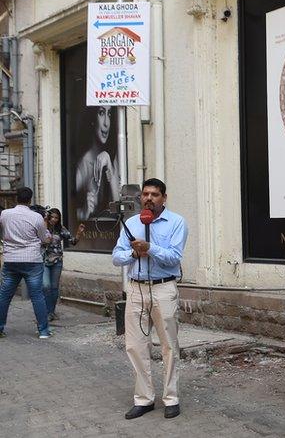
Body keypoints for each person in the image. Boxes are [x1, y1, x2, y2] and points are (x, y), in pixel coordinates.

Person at [111, 178, 188, 420]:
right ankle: (144, 399)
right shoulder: (132, 223)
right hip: (135, 289)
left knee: (168, 346)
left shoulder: (177, 222)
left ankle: (171, 398)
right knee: (135, 346)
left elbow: (174, 258)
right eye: (145, 194)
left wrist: (150, 247)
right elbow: (116, 257)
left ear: (164, 198)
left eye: (155, 194)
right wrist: (134, 252)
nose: (149, 199)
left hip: (163, 288)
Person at [0, 187, 53, 339]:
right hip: (32, 261)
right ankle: (43, 331)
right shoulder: (36, 217)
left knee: (4, 296)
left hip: (11, 259)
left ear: (16, 197)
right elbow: (44, 239)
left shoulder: (5, 214)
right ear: (30, 199)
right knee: (37, 296)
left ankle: (0, 328)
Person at [74, 105, 120, 222]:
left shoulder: (114, 158)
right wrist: (83, 212)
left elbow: (119, 208)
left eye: (109, 114)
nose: (106, 123)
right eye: (101, 113)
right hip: (92, 236)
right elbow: (68, 210)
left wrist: (109, 165)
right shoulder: (84, 165)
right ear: (92, 120)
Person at [42, 208, 85, 321]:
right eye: (52, 217)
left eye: (57, 218)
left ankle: (51, 312)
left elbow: (73, 241)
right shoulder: (42, 227)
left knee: (54, 287)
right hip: (44, 261)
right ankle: (45, 311)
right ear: (48, 217)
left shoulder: (60, 229)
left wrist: (79, 233)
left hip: (57, 261)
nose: (54, 220)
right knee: (46, 286)